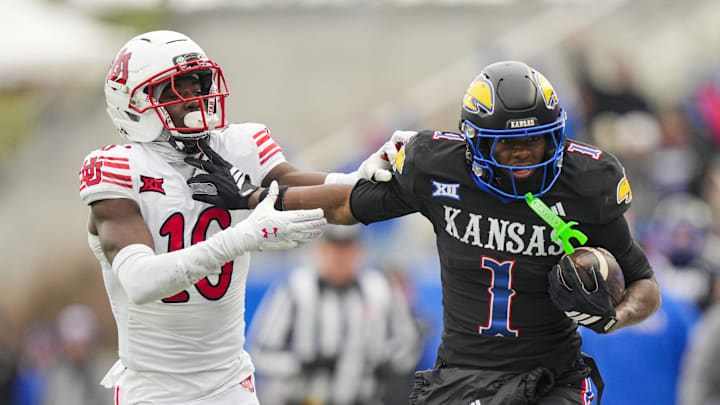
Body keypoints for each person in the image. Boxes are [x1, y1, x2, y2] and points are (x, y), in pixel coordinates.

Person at [191, 61, 662, 404]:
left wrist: (614, 317)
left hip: (553, 376)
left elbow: (645, 285)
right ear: (475, 143)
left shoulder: (587, 183)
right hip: (463, 375)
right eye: (510, 147)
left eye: (537, 140)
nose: (526, 156)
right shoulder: (439, 169)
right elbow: (342, 204)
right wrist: (255, 197)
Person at [78, 30, 395, 405]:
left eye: (199, 84)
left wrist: (359, 178)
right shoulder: (118, 168)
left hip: (230, 383)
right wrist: (243, 237)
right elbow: (141, 281)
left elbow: (299, 186)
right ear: (135, 103)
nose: (196, 98)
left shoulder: (239, 145)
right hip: (154, 389)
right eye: (177, 88)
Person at [247, 225, 422, 405]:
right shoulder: (295, 289)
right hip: (303, 400)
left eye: (347, 249)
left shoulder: (379, 289)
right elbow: (260, 353)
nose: (341, 257)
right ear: (320, 250)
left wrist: (384, 362)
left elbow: (408, 345)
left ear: (360, 251)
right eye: (335, 248)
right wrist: (302, 363)